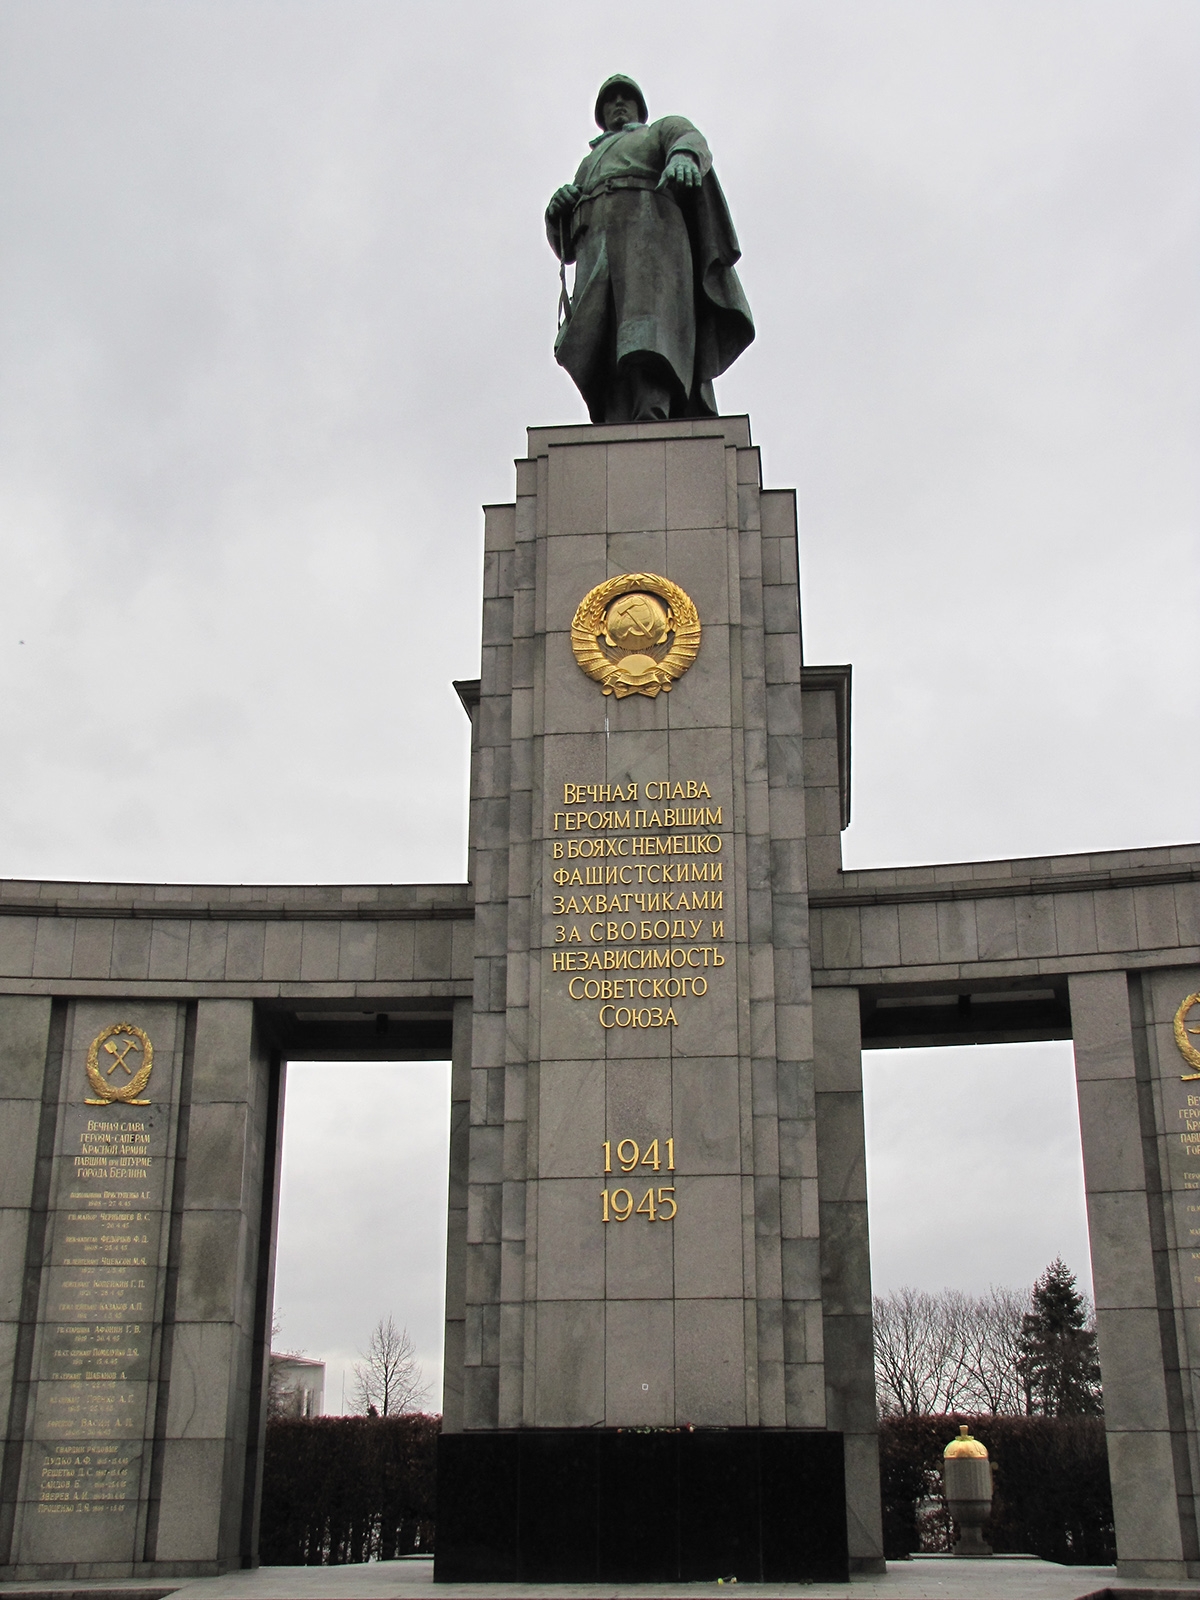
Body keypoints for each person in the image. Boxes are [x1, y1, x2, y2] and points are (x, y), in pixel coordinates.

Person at [546, 75, 754, 423]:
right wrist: (557, 214)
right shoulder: (588, 163)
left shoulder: (656, 131)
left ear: (639, 108)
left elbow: (687, 137)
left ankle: (651, 413)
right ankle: (617, 420)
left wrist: (683, 158)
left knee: (646, 333)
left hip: (651, 238)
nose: (618, 104)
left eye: (626, 98)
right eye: (610, 100)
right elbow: (566, 247)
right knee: (603, 341)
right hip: (598, 253)